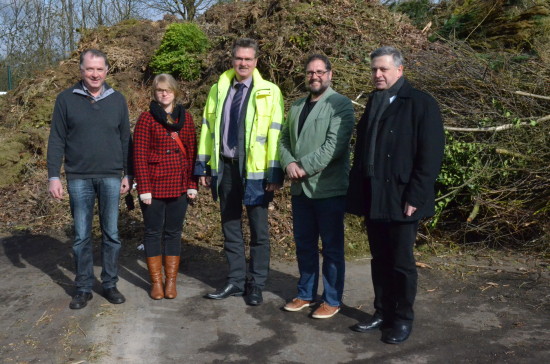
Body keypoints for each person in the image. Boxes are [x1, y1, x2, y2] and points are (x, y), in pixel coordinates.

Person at [347, 46, 445, 343]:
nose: (377, 74)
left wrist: (416, 195)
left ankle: (402, 318)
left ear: (399, 70)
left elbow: (430, 156)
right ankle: (382, 312)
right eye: (374, 69)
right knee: (379, 258)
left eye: (383, 69)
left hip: (403, 197)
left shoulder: (420, 103)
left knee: (401, 261)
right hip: (374, 194)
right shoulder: (373, 101)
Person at [195, 38, 284, 306]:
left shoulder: (270, 91)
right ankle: (235, 280)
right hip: (226, 168)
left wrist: (274, 172)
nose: (243, 63)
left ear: (256, 62)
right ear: (231, 61)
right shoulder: (218, 90)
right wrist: (204, 165)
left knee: (259, 231)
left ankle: (255, 284)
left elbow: (276, 135)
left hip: (255, 172)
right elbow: (208, 129)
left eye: (248, 59)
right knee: (230, 227)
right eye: (239, 58)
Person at [47, 49, 132, 309]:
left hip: (110, 176)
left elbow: (125, 139)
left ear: (107, 71)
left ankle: (109, 283)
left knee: (112, 234)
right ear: (81, 70)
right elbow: (57, 139)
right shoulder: (65, 100)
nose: (94, 74)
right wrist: (53, 175)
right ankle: (83, 287)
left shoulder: (117, 100)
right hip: (78, 177)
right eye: (89, 69)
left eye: (99, 69)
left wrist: (129, 173)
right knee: (82, 236)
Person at [278, 54, 355, 319]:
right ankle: (305, 293)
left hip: (328, 189)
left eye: (320, 71)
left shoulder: (340, 104)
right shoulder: (297, 106)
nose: (315, 76)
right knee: (304, 245)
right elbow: (283, 139)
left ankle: (332, 299)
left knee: (332, 248)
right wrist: (288, 163)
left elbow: (334, 146)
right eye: (310, 72)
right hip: (300, 190)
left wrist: (302, 167)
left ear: (330, 74)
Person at [133, 74, 198, 300]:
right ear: (155, 92)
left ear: (175, 92)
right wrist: (144, 188)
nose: (164, 93)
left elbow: (192, 153)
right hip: (154, 186)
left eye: (168, 89)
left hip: (179, 185)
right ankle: (156, 283)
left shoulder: (186, 119)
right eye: (160, 90)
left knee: (173, 233)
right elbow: (139, 156)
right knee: (152, 233)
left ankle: (171, 282)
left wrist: (192, 183)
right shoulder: (146, 119)